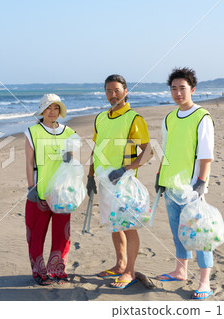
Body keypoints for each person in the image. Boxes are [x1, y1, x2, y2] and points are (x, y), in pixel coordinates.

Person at [87, 74, 152, 289]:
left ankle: (130, 271)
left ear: (125, 91)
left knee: (129, 225)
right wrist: (89, 177)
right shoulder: (100, 118)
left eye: (116, 90)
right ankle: (120, 264)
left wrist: (126, 168)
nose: (112, 95)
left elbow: (148, 152)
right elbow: (96, 149)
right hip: (104, 180)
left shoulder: (134, 118)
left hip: (124, 182)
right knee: (114, 225)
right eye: (108, 91)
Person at [155, 67, 215, 300]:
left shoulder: (202, 117)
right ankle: (180, 270)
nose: (178, 93)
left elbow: (206, 154)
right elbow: (166, 149)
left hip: (191, 187)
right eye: (174, 88)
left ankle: (204, 281)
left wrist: (200, 182)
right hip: (170, 184)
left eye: (182, 88)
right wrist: (160, 176)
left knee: (199, 235)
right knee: (178, 232)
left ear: (192, 89)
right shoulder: (169, 118)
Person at [24, 93, 75, 285]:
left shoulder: (69, 132)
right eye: (48, 108)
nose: (52, 112)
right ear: (42, 110)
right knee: (36, 233)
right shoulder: (32, 132)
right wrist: (31, 187)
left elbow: (72, 161)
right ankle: (39, 272)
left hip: (62, 192)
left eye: (56, 108)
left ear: (60, 111)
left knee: (63, 234)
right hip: (40, 190)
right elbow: (29, 163)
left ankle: (57, 271)